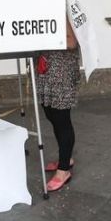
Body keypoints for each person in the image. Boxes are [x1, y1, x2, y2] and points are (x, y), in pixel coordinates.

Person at [36, 18, 80, 192]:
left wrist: (44, 37)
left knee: (62, 119)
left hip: (61, 72)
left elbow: (71, 42)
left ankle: (63, 170)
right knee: (51, 114)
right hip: (47, 71)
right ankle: (65, 157)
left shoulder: (62, 11)